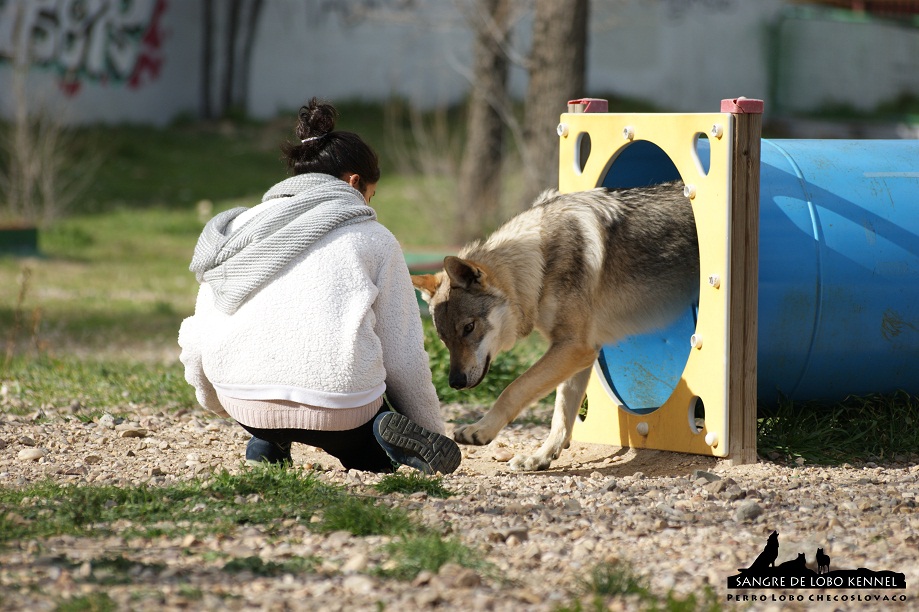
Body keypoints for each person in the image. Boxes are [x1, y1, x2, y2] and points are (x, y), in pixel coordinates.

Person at [178, 97, 461, 475]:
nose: (370, 205)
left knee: (266, 400)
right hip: (341, 411)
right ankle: (377, 436)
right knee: (372, 458)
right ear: (353, 182)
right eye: (371, 195)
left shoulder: (240, 230)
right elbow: (403, 355)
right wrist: (430, 433)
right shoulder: (372, 238)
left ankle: (267, 440)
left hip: (243, 399)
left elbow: (202, 331)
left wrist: (216, 398)